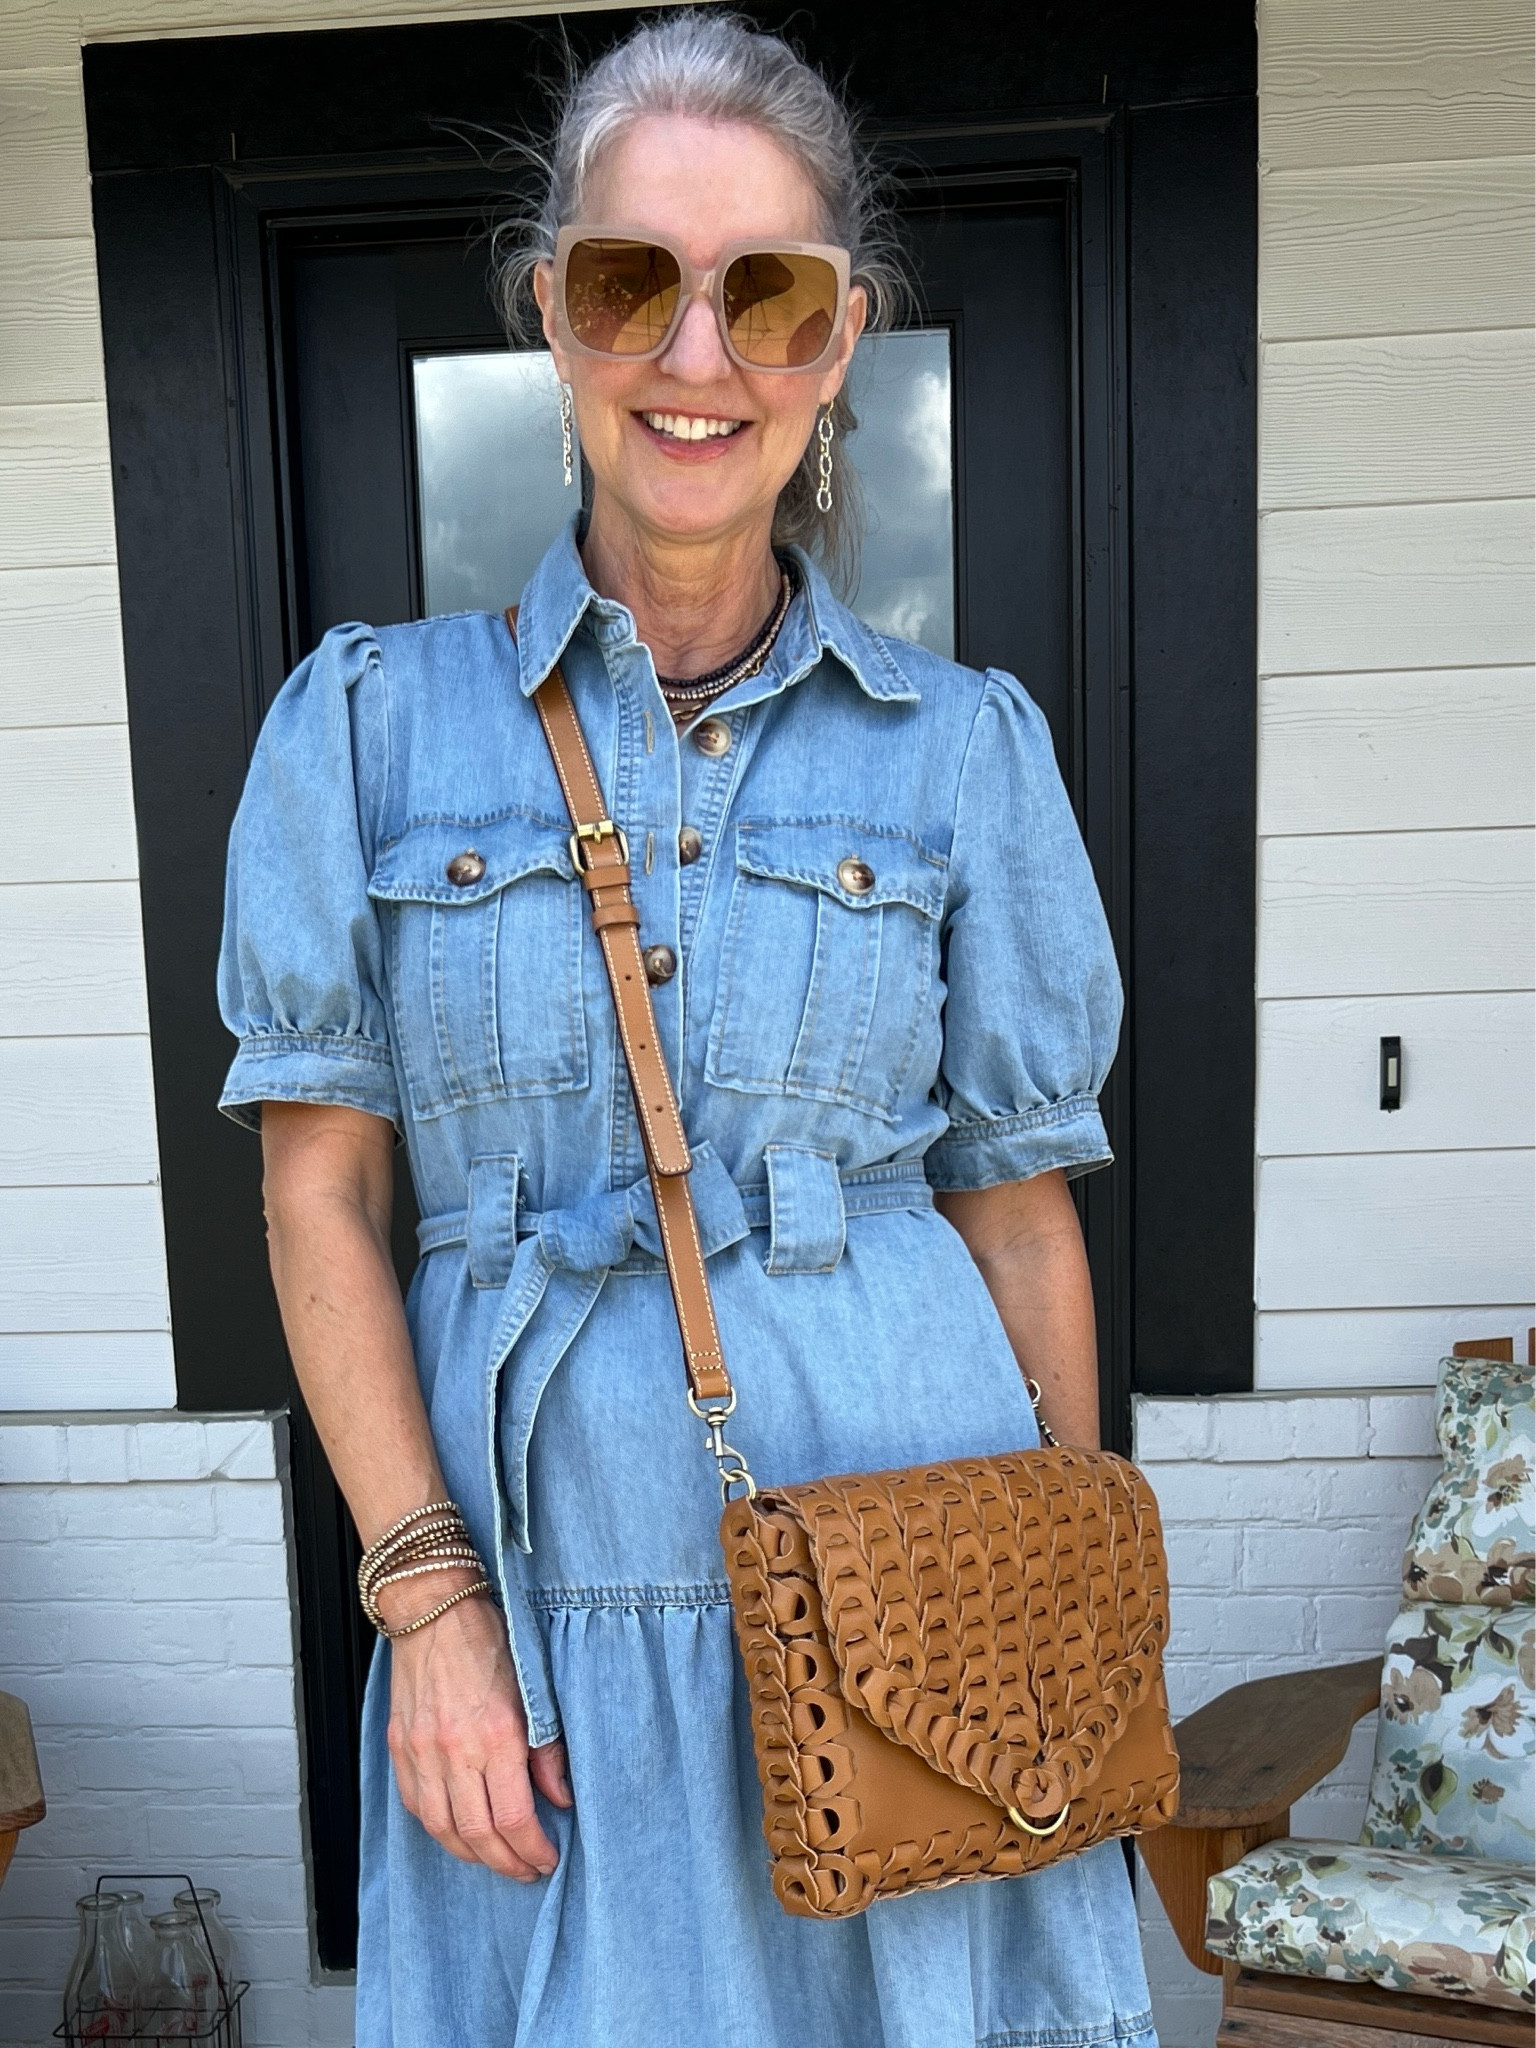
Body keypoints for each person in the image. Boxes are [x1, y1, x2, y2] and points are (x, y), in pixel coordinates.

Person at [217, 14, 1156, 2045]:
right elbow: (320, 1206)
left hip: (913, 1612)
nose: (698, 356)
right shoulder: (367, 730)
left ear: (842, 343)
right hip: (545, 1644)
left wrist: (1067, 1627)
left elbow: (1017, 1213)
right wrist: (430, 1604)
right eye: (633, 281)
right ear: (549, 312)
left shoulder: (969, 751)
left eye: (772, 296)